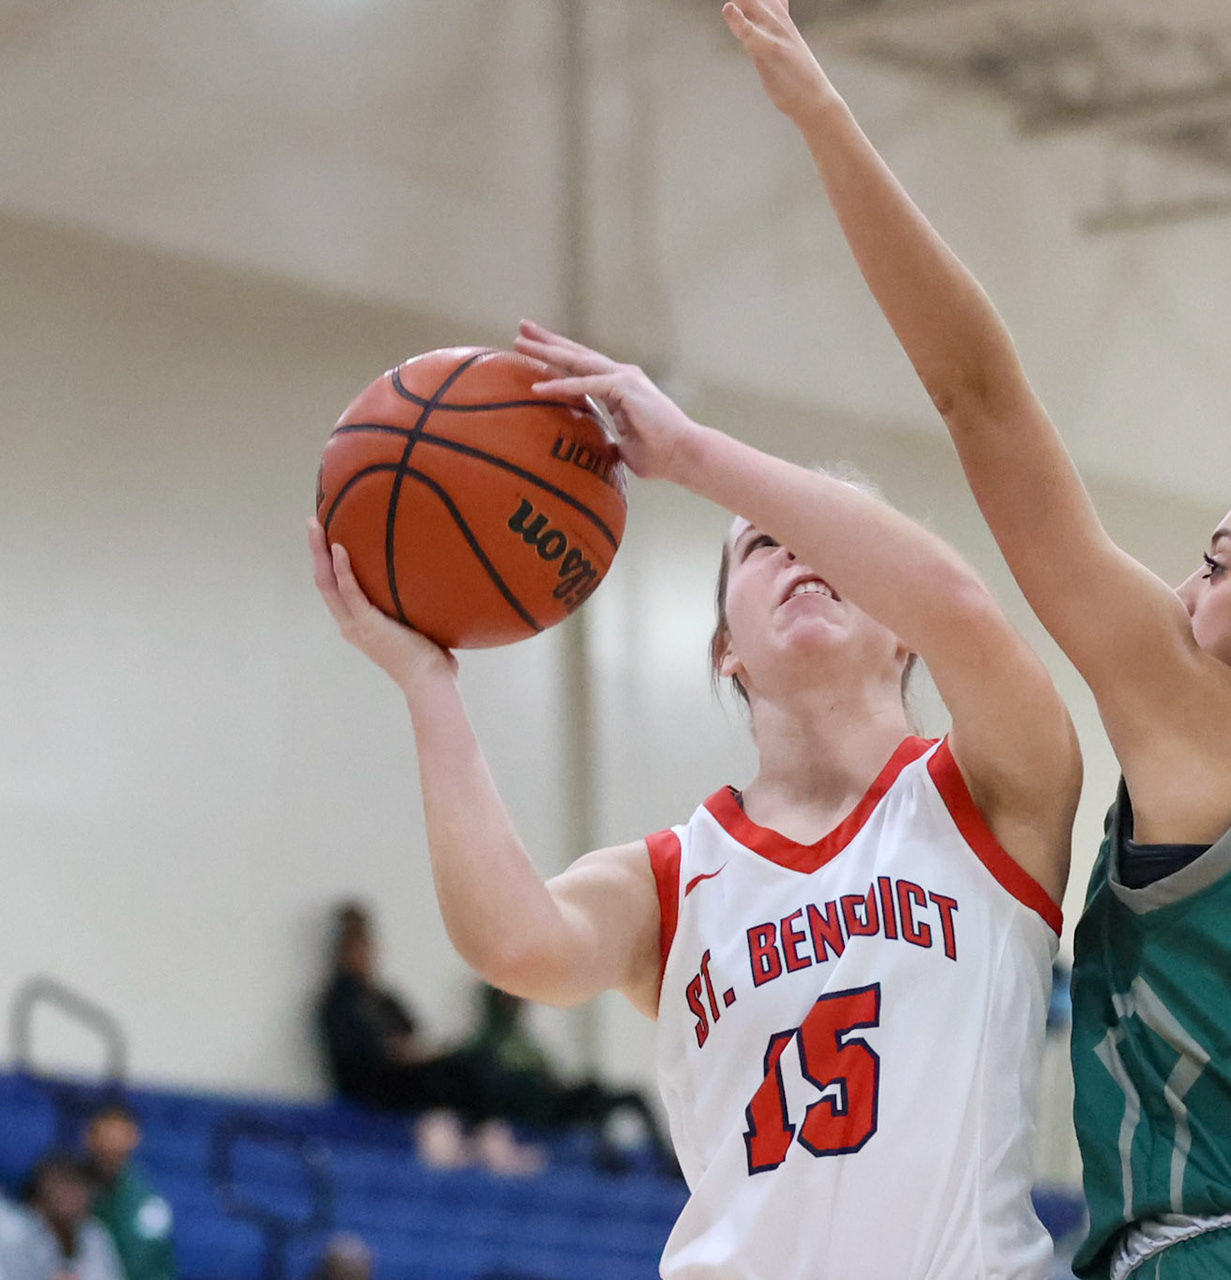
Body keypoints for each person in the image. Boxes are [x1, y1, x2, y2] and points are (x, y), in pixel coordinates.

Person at [723, 5, 1231, 1278]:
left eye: (1217, 559)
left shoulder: (1215, 737)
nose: (1187, 593)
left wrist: (824, 117)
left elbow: (980, 397)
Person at [307, 318, 1081, 1278]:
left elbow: (964, 606)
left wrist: (694, 454)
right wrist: (430, 686)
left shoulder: (995, 791)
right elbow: (513, 941)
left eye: (835, 538)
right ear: (727, 650)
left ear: (908, 626)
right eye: (764, 543)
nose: (802, 550)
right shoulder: (678, 877)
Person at [315, 903, 542, 1175]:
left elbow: (413, 1033)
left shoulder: (383, 999)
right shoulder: (337, 1001)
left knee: (470, 1066)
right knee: (439, 1077)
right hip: (372, 1081)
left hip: (404, 1069)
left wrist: (415, 1050)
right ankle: (447, 1141)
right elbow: (355, 1052)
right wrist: (396, 1051)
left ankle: (488, 1137)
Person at [462, 984, 676, 1176]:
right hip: (527, 1114)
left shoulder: (527, 1046)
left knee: (625, 1096)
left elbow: (552, 1078)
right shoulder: (481, 1046)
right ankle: (605, 1158)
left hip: (552, 1104)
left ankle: (661, 1161)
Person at [80, 1104, 175, 1280]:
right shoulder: (67, 1191)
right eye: (105, 1147)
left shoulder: (148, 1202)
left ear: (134, 1140)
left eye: (117, 1150)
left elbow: (153, 1267)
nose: (110, 1153)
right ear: (89, 1139)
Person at [0, 1154, 127, 1280]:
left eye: (78, 1185)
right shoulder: (15, 1236)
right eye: (62, 1184)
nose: (70, 1195)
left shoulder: (95, 1235)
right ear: (41, 1189)